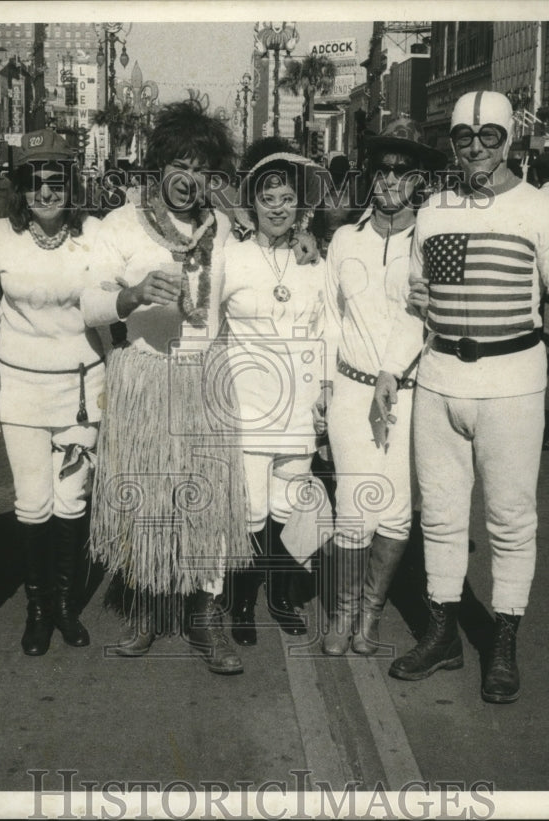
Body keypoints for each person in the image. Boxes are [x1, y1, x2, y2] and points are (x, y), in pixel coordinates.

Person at [374, 91, 549, 702]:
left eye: (490, 136)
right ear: (452, 142)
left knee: (508, 520)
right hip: (441, 378)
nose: (476, 147)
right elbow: (418, 307)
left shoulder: (539, 210)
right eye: (464, 137)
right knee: (442, 518)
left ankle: (503, 643)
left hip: (511, 382)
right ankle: (443, 635)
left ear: (510, 141)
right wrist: (393, 370)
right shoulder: (437, 212)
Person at [90, 101, 317, 674]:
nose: (189, 180)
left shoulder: (227, 231)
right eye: (178, 164)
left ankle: (204, 616)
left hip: (209, 382)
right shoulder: (121, 224)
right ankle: (146, 609)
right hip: (144, 377)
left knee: (209, 507)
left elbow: (272, 253)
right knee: (148, 502)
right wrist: (134, 293)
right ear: (158, 163)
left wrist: (304, 239)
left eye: (201, 168)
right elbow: (88, 305)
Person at [0, 129, 119, 656]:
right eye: (35, 181)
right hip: (19, 391)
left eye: (56, 180)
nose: (46, 192)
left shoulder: (96, 235)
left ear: (72, 182)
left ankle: (66, 607)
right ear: (21, 187)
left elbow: (127, 281)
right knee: (32, 501)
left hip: (81, 390)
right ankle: (38, 609)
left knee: (71, 499)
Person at [322, 118, 447, 656]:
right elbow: (328, 317)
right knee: (353, 507)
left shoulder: (431, 239)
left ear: (419, 179)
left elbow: (425, 316)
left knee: (395, 511)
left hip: (410, 394)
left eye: (402, 171)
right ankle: (344, 611)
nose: (390, 180)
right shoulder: (344, 239)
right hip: (350, 392)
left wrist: (393, 371)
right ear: (370, 176)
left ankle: (370, 615)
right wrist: (322, 389)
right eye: (382, 169)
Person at [221, 146, 327, 647]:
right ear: (253, 204)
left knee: (289, 504)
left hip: (299, 410)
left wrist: (324, 391)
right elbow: (203, 322)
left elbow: (326, 330)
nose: (278, 208)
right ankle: (241, 601)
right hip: (247, 406)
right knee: (250, 509)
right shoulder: (232, 256)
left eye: (287, 198)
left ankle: (280, 596)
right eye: (268, 199)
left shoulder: (313, 261)